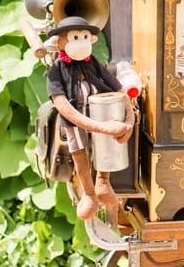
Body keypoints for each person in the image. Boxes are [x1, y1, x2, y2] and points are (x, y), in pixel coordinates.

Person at [44, 15, 136, 223]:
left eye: (85, 37)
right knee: (79, 153)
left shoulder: (91, 61)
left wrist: (128, 116)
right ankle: (88, 192)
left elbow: (114, 84)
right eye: (75, 37)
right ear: (60, 42)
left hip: (101, 111)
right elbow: (62, 104)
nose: (82, 42)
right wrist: (102, 127)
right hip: (76, 119)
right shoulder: (57, 69)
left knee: (106, 146)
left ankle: (103, 182)